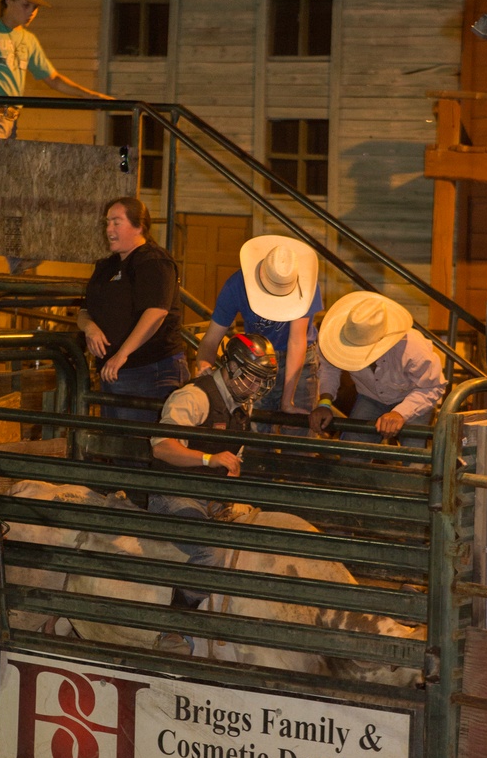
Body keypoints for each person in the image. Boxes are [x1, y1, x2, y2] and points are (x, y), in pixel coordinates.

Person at [0, 0, 112, 272]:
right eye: (26, 4)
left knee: (1, 184)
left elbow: (53, 78)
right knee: (0, 183)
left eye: (35, 7)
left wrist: (93, 96)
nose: (31, 12)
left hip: (11, 119)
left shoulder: (28, 40)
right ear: (8, 0)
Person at [149, 334, 278, 629]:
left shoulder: (242, 401)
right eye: (251, 378)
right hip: (174, 492)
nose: (256, 387)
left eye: (262, 381)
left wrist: (231, 472)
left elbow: (234, 453)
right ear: (230, 366)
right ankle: (174, 624)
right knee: (212, 550)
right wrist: (209, 459)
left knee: (261, 532)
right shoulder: (193, 396)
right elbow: (162, 447)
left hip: (212, 493)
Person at [78, 198, 188, 417]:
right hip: (113, 371)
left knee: (145, 443)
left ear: (139, 226)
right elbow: (83, 310)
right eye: (107, 222)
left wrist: (122, 354)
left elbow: (156, 312)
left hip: (150, 369)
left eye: (116, 222)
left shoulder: (153, 261)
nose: (109, 229)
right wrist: (90, 328)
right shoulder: (106, 266)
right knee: (116, 442)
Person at [195, 235, 323, 415]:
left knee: (297, 428)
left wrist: (288, 401)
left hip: (298, 358)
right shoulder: (237, 285)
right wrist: (204, 365)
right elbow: (211, 339)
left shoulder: (306, 286)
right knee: (255, 423)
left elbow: (296, 341)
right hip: (256, 355)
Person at [310, 292, 445, 441]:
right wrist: (324, 402)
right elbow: (330, 367)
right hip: (370, 397)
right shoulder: (332, 343)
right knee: (353, 451)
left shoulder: (412, 348)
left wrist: (401, 412)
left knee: (414, 456)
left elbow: (432, 387)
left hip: (412, 398)